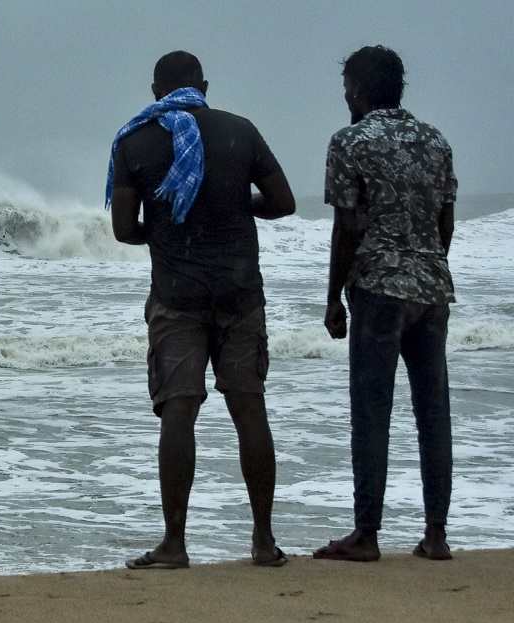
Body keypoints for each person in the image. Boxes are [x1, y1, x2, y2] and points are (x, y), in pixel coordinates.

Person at [107, 51, 296, 569]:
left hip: (176, 297)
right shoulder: (240, 131)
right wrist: (239, 206)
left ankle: (174, 543)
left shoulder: (134, 141)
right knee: (249, 408)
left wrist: (166, 233)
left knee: (179, 412)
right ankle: (262, 541)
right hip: (240, 293)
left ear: (155, 92)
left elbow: (124, 229)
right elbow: (284, 201)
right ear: (204, 85)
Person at [313, 45, 457, 562]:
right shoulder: (435, 141)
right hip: (432, 290)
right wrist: (426, 266)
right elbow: (445, 223)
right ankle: (436, 534)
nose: (345, 94)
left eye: (347, 85)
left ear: (359, 90)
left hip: (378, 289)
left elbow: (347, 225)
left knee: (372, 410)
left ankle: (366, 534)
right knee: (432, 410)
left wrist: (334, 296)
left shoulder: (350, 141)